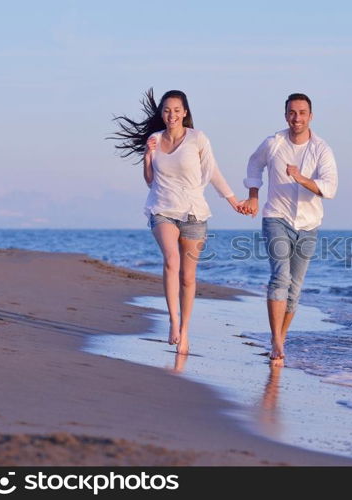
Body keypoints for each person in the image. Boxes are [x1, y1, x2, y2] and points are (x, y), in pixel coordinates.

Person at [111, 89, 241, 355]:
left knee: (188, 276)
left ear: (185, 112)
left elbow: (213, 172)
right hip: (162, 209)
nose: (171, 114)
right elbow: (150, 180)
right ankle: (173, 321)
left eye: (176, 110)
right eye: (167, 110)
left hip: (194, 212)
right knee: (171, 260)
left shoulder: (198, 139)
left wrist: (233, 200)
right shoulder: (155, 139)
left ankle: (185, 331)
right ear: (162, 113)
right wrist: (148, 156)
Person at [239, 93, 338, 366]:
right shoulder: (274, 143)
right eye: (292, 113)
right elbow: (254, 163)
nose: (297, 118)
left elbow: (329, 188)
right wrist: (254, 195)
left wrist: (300, 177)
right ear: (285, 115)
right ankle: (277, 340)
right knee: (280, 278)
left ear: (311, 116)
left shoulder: (321, 149)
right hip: (276, 218)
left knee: (295, 288)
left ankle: (279, 339)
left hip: (309, 225)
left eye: (302, 113)